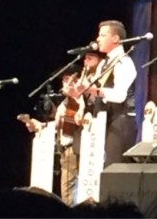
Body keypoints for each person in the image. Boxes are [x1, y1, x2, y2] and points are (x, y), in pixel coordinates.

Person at [21, 52, 104, 206]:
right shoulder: (65, 103)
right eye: (64, 80)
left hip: (78, 148)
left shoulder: (83, 100)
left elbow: (80, 119)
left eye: (68, 80)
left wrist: (78, 106)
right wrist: (40, 125)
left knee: (73, 190)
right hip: (65, 149)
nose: (65, 84)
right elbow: (59, 123)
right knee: (66, 191)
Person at [73, 20, 138, 168]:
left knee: (113, 168)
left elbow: (120, 95)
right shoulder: (103, 64)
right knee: (100, 167)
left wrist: (93, 90)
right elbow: (96, 93)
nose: (97, 39)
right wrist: (79, 93)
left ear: (115, 38)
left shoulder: (124, 62)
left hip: (121, 121)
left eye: (102, 35)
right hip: (105, 119)